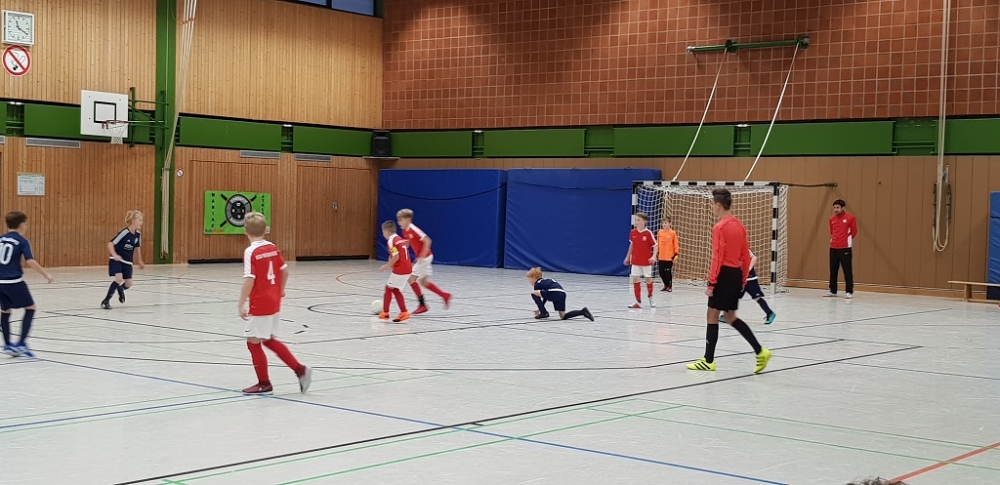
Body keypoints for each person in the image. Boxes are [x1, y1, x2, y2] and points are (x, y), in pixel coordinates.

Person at [687, 189, 771, 373]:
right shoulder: (740, 226)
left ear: (718, 205)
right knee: (730, 317)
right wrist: (743, 280)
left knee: (712, 315)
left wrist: (711, 283)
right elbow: (745, 257)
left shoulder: (719, 228)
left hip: (723, 275)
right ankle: (760, 351)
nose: (712, 207)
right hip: (736, 275)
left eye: (712, 204)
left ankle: (708, 360)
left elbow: (717, 257)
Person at [237, 212, 311, 395]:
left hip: (260, 303)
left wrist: (240, 303)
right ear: (265, 230)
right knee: (268, 339)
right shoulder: (272, 248)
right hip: (274, 301)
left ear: (245, 230)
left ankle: (265, 384)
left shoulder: (251, 251)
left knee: (253, 343)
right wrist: (281, 290)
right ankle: (300, 370)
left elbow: (249, 279)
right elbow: (285, 271)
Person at [0, 212, 55, 358]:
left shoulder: (1, 239)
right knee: (31, 308)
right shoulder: (22, 241)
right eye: (25, 224)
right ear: (21, 225)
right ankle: (21, 344)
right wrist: (46, 274)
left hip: (0, 283)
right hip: (14, 282)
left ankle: (7, 344)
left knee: (5, 311)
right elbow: (30, 261)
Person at [396, 209, 452, 314]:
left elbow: (428, 241)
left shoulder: (414, 229)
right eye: (398, 220)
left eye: (401, 220)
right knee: (424, 282)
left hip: (425, 257)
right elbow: (408, 243)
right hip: (425, 257)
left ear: (408, 219)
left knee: (411, 279)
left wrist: (421, 256)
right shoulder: (405, 231)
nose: (399, 223)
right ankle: (445, 295)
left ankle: (422, 305)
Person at [719, 249, 777, 324]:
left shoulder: (743, 248)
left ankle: (770, 313)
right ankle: (727, 316)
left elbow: (754, 258)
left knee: (757, 297)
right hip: (739, 279)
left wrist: (749, 268)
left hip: (750, 279)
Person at [101, 210, 145, 309]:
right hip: (117, 259)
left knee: (129, 283)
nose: (141, 222)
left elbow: (137, 247)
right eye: (140, 220)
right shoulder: (124, 232)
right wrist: (114, 255)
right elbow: (110, 244)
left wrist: (140, 260)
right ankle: (106, 301)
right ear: (133, 220)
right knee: (119, 279)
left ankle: (121, 289)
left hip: (128, 261)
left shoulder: (138, 234)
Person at [527, 267, 594, 321]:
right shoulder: (546, 281)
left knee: (533, 293)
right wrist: (541, 308)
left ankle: (544, 313)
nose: (529, 281)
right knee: (563, 316)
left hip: (554, 292)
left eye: (529, 279)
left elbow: (541, 295)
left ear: (534, 277)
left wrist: (542, 310)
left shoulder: (537, 284)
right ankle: (582, 312)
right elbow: (545, 296)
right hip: (562, 293)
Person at [379, 220, 411, 323]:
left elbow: (396, 256)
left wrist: (386, 266)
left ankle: (385, 312)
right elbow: (399, 252)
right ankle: (403, 312)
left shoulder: (391, 241)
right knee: (395, 289)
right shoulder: (398, 238)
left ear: (387, 231)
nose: (383, 234)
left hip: (401, 269)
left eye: (383, 232)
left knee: (388, 288)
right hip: (408, 268)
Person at [624, 212, 657, 308]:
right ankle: (637, 302)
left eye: (639, 220)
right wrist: (627, 257)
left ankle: (650, 297)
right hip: (635, 261)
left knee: (648, 279)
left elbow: (655, 245)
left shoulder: (648, 233)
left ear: (644, 222)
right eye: (636, 220)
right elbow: (632, 245)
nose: (637, 222)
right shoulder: (633, 232)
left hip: (646, 261)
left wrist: (653, 256)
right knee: (635, 279)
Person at [827, 199, 858, 299]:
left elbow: (854, 231)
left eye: (838, 207)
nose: (836, 209)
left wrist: (847, 240)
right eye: (834, 208)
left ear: (842, 208)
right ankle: (833, 290)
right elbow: (832, 231)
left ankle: (849, 291)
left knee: (847, 270)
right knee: (833, 270)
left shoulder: (850, 218)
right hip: (833, 247)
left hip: (845, 248)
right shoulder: (831, 219)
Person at [656, 216, 679, 292]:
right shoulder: (660, 232)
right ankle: (665, 285)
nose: (664, 224)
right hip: (661, 256)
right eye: (663, 223)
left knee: (668, 271)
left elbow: (675, 244)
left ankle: (670, 286)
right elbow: (658, 243)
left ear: (670, 223)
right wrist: (657, 252)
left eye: (666, 223)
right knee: (661, 272)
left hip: (669, 257)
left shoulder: (672, 233)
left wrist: (676, 253)